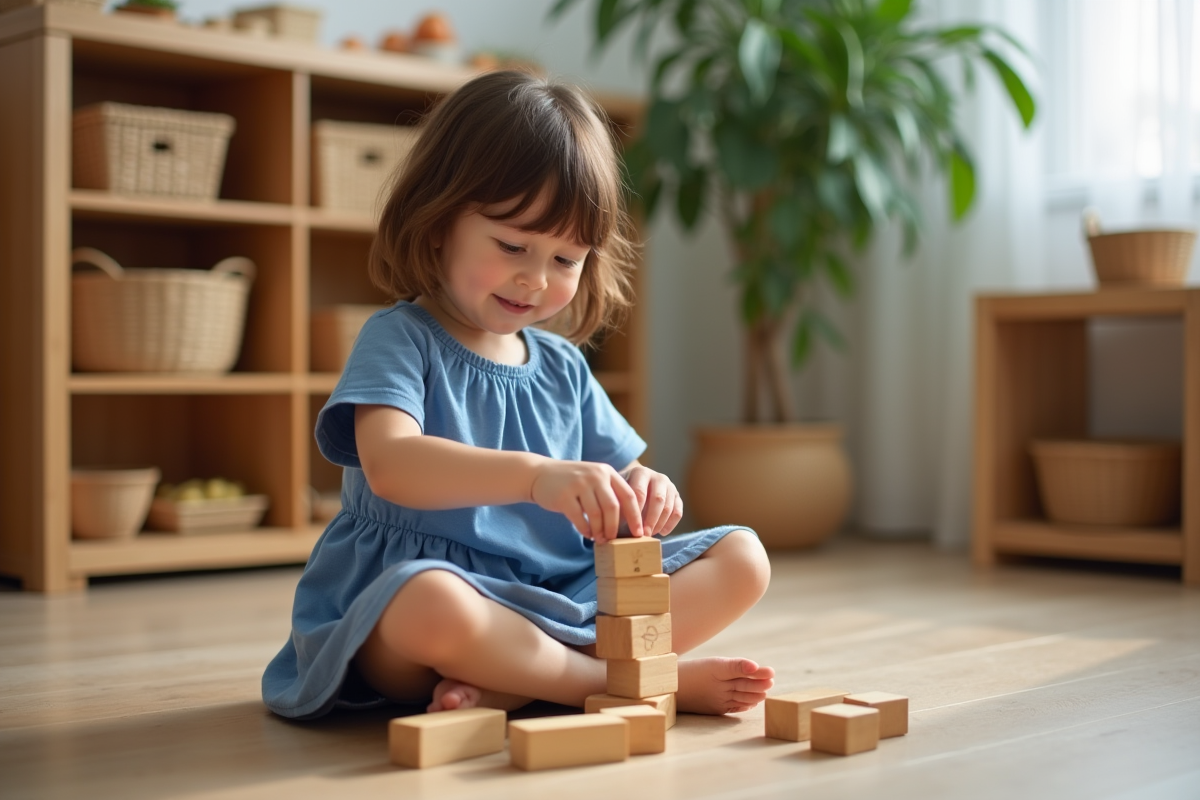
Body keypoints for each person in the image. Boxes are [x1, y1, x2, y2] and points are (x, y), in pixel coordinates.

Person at [262, 70, 774, 720]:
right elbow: (390, 466)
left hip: (554, 594)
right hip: (416, 605)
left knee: (742, 557)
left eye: (566, 260)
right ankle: (629, 684)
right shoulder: (399, 338)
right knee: (432, 606)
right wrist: (536, 478)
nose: (535, 279)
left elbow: (617, 471)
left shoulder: (561, 364)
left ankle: (522, 683)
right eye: (512, 245)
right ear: (439, 220)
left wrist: (646, 487)